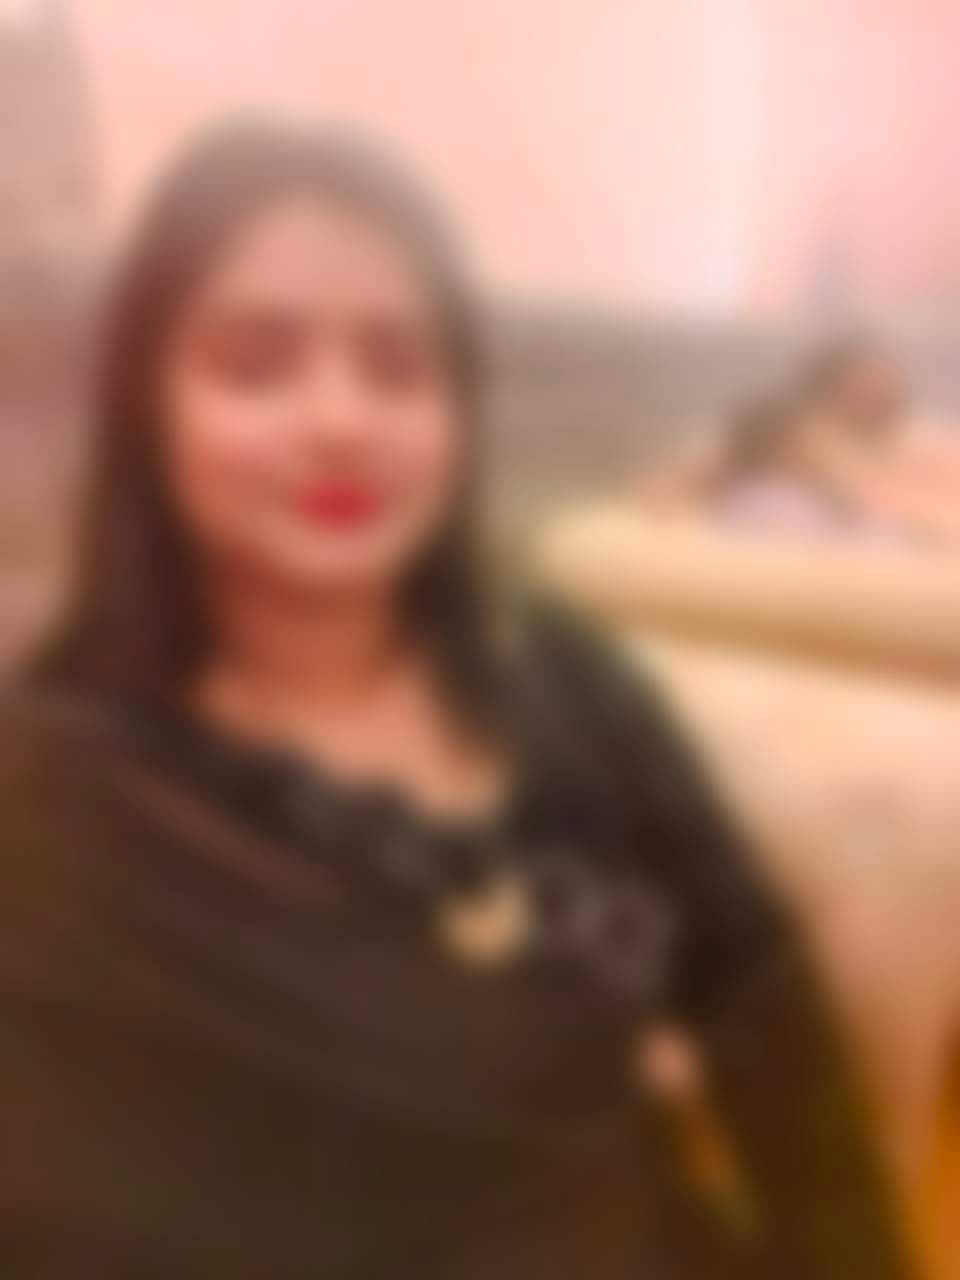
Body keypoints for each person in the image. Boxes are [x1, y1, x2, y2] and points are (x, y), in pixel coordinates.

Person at [0, 120, 913, 1279]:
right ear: (148, 406)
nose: (340, 420)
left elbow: (761, 996)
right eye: (255, 364)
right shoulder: (57, 805)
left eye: (398, 368)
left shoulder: (561, 674)